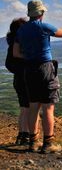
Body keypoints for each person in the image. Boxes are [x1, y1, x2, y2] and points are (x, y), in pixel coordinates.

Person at [17, 0, 62, 153]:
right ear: (41, 13)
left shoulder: (22, 30)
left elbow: (16, 53)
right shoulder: (43, 26)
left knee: (33, 107)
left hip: (29, 70)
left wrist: (30, 56)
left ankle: (33, 142)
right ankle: (48, 143)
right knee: (48, 107)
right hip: (45, 68)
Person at [6, 18, 31, 148]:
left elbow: (8, 64)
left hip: (18, 79)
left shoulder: (12, 44)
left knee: (24, 108)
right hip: (25, 79)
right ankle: (26, 136)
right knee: (29, 108)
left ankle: (21, 135)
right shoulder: (20, 44)